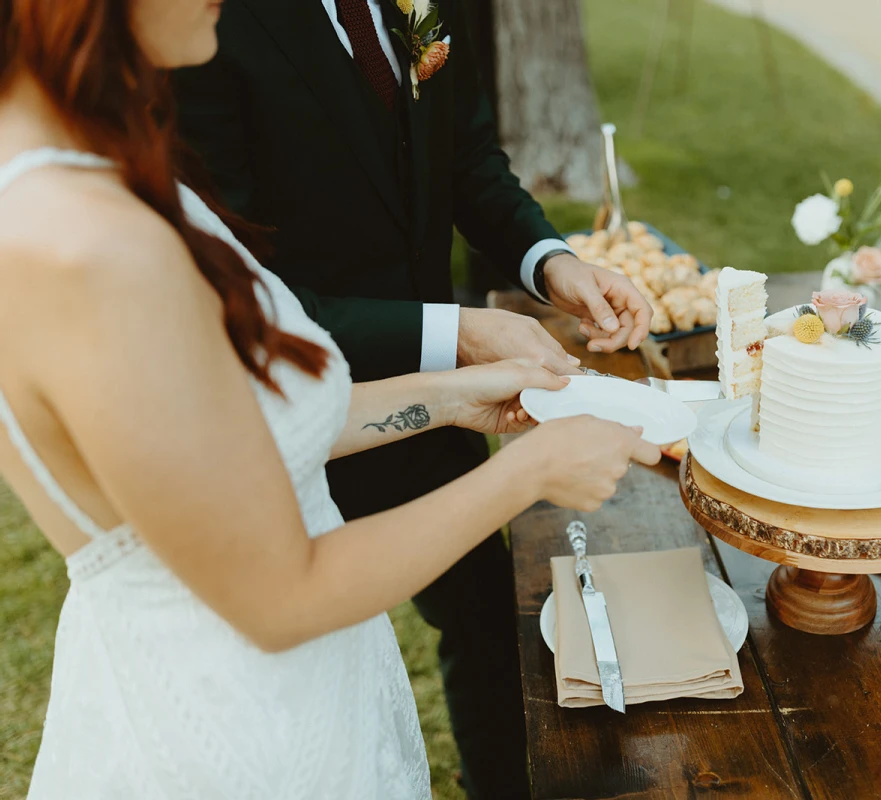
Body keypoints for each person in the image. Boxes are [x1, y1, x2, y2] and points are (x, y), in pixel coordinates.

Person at [0, 0, 660, 797]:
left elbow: (231, 437)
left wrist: (449, 397)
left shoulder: (91, 174)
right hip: (236, 734)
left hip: (292, 700)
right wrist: (529, 472)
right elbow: (281, 595)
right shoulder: (97, 251)